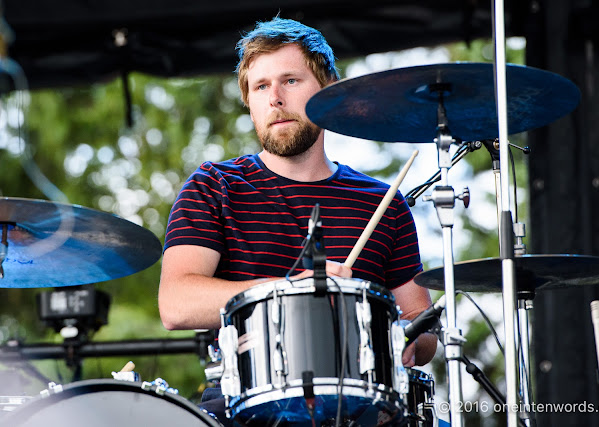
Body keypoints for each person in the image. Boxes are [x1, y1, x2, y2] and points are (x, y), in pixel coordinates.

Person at [158, 16, 438, 422]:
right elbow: (175, 304)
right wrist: (292, 290)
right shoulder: (214, 186)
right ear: (249, 103)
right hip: (243, 405)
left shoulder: (383, 202)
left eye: (290, 81)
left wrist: (407, 340)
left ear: (326, 91)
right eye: (260, 86)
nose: (275, 98)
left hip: (358, 407)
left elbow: (420, 325)